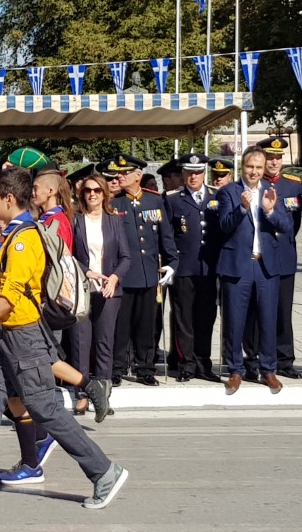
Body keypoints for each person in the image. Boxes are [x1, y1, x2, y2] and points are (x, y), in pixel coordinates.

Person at [0, 166, 127, 509]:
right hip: (5, 337)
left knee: (45, 409)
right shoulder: (12, 234)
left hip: (24, 338)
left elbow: (8, 300)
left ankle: (104, 472)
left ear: (9, 199)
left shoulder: (24, 241)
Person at [216, 147, 290, 394]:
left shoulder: (272, 191)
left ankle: (268, 370)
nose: (254, 172)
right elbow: (224, 225)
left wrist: (269, 210)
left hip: (266, 265)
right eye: (250, 167)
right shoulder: (229, 192)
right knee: (234, 320)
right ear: (242, 167)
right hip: (238, 264)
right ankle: (235, 370)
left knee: (268, 319)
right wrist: (243, 209)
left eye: (259, 167)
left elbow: (286, 225)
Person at [106, 154, 176, 387]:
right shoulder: (115, 204)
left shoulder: (154, 201)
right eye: (118, 173)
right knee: (121, 325)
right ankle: (117, 367)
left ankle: (145, 368)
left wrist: (171, 263)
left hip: (148, 273)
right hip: (124, 275)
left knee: (147, 325)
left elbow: (165, 236)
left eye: (124, 173)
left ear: (138, 176)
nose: (119, 176)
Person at [245, 139, 302, 381]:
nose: (275, 162)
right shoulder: (255, 184)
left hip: (283, 256)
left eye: (278, 157)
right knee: (254, 311)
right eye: (270, 157)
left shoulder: (293, 186)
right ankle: (252, 358)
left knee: (282, 310)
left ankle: (284, 359)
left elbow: (294, 224)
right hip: (259, 256)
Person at [72, 172, 130, 411]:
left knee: (105, 342)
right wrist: (87, 272)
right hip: (83, 289)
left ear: (104, 194)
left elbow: (126, 257)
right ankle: (82, 393)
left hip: (108, 290)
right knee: (81, 342)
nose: (92, 194)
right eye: (88, 190)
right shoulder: (75, 219)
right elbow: (68, 256)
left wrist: (114, 278)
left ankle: (103, 395)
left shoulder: (114, 220)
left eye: (97, 190)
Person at [163, 154, 222, 383]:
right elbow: (168, 235)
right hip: (184, 268)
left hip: (209, 268)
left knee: (206, 317)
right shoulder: (173, 200)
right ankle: (186, 364)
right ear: (183, 174)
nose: (193, 176)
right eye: (189, 172)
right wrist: (171, 262)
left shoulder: (216, 197)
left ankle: (203, 363)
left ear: (204, 173)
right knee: (183, 318)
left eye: (197, 172)